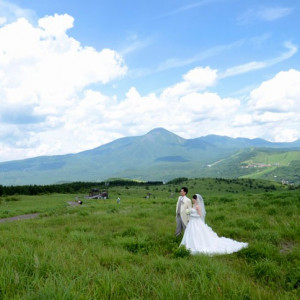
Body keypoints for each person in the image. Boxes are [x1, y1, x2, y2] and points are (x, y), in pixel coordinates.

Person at [180, 194, 248, 255]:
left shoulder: (198, 206)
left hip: (196, 221)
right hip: (192, 222)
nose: (192, 199)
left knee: (198, 233)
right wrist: (189, 213)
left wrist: (192, 215)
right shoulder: (193, 205)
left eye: (193, 198)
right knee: (191, 233)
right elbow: (193, 212)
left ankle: (197, 245)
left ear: (196, 199)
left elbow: (200, 215)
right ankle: (188, 244)